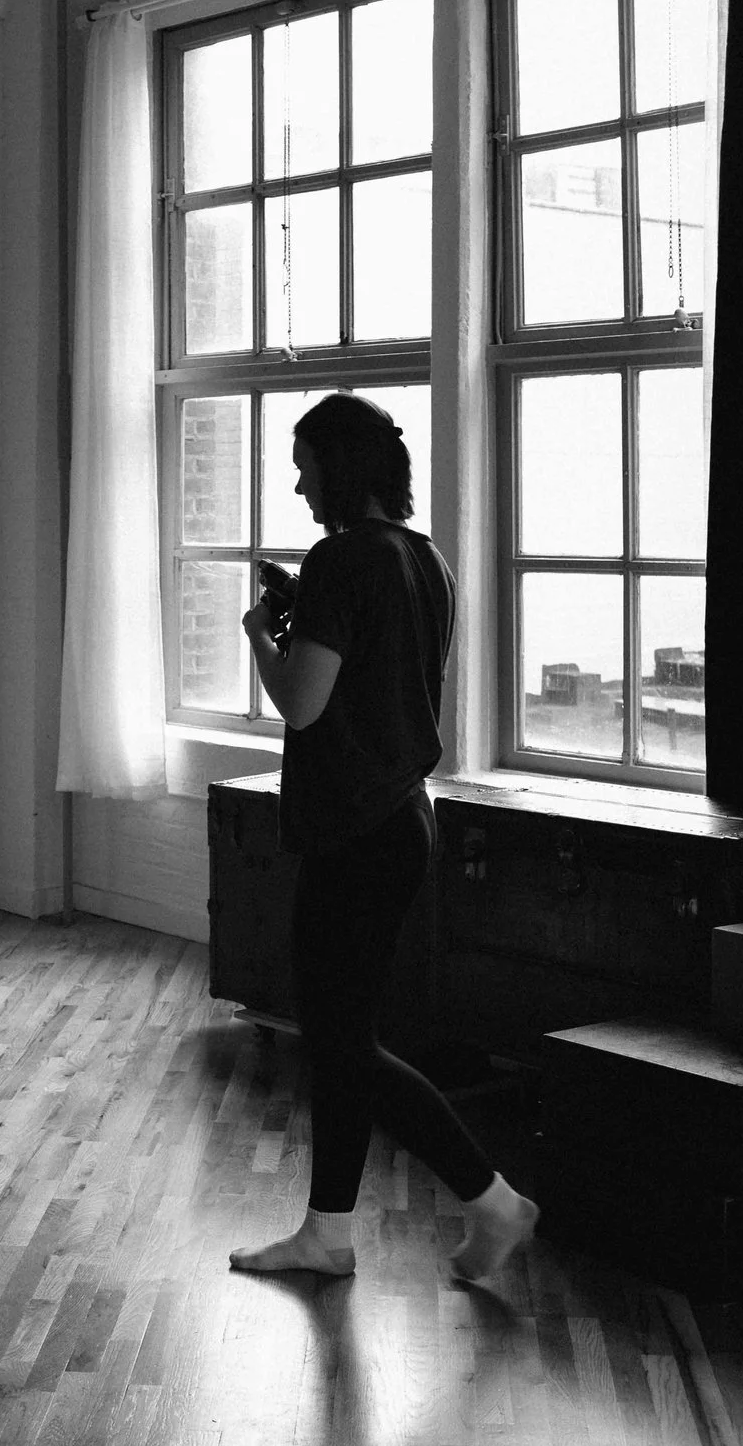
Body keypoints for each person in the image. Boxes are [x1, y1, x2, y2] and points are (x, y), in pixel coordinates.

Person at [229, 393, 538, 1283]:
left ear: (339, 466)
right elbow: (373, 673)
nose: (298, 486)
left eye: (304, 468)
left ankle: (492, 1198)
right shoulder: (425, 558)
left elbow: (302, 703)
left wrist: (261, 636)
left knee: (342, 1044)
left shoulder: (338, 560)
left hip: (353, 832)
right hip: (402, 819)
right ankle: (327, 1232)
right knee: (342, 1036)